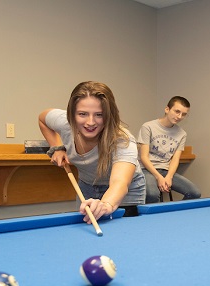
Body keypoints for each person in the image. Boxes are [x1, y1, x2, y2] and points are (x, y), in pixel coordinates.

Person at [38, 81, 145, 222]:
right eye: (82, 114)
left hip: (127, 192)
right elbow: (42, 118)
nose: (90, 122)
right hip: (87, 185)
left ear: (109, 115)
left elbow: (120, 182)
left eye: (99, 115)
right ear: (72, 113)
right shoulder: (65, 123)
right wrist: (57, 148)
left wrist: (106, 204)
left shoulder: (122, 140)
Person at [138, 96, 201, 203]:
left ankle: (176, 217)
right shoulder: (148, 127)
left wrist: (169, 177)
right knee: (152, 194)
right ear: (167, 109)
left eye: (184, 114)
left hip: (166, 170)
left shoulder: (182, 134)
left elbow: (175, 159)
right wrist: (159, 177)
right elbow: (143, 157)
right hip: (146, 170)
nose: (179, 116)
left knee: (194, 193)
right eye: (177, 111)